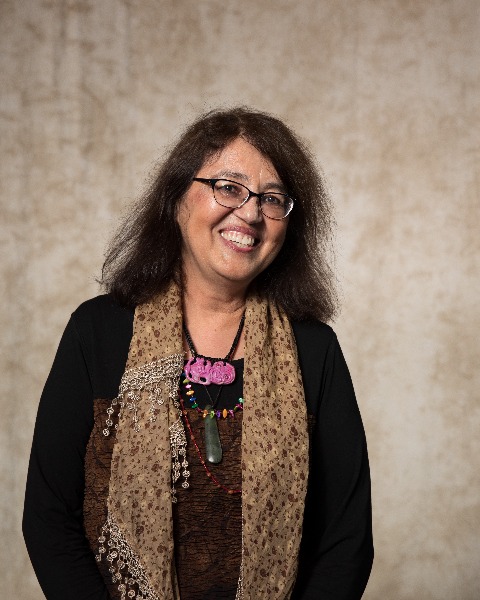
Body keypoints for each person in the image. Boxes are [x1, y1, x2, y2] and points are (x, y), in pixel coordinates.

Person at [23, 107, 373, 600]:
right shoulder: (98, 332)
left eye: (272, 199)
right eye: (228, 188)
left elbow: (346, 540)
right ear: (176, 198)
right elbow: (48, 518)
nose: (250, 214)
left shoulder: (314, 349)